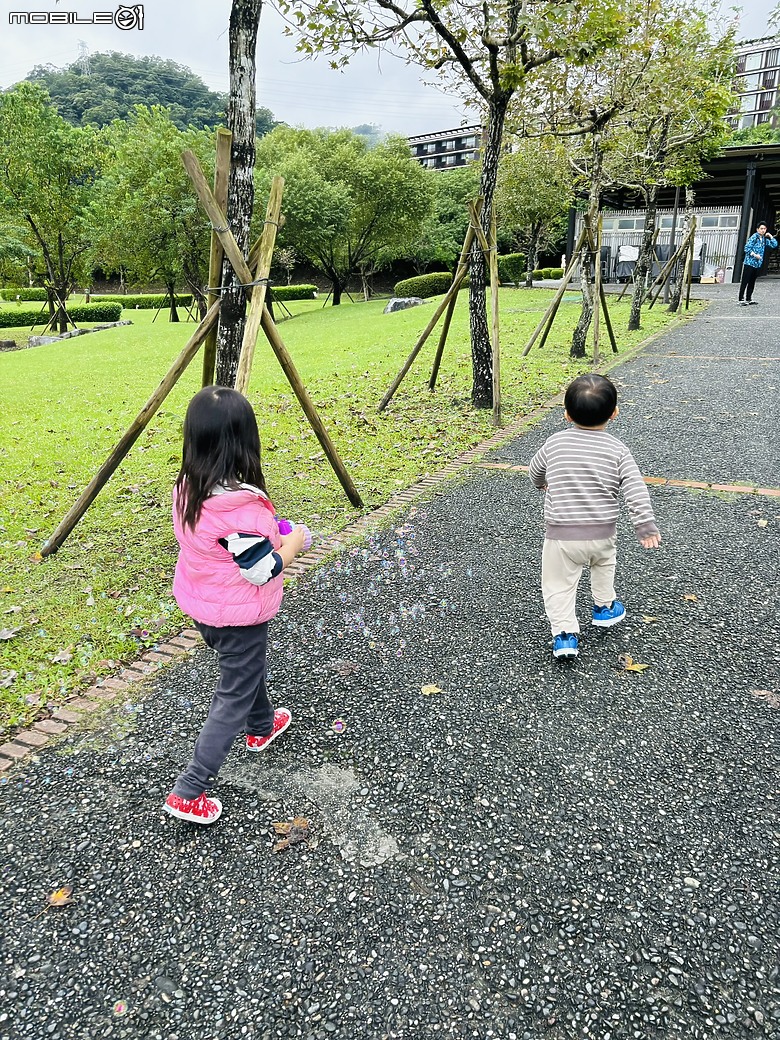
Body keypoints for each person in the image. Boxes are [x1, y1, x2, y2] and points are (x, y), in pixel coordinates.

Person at [163, 386, 309, 824]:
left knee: (244, 671)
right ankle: (189, 791)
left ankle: (262, 727)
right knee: (232, 693)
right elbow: (260, 569)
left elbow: (226, 547)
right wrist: (293, 545)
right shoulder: (237, 507)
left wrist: (269, 533)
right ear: (246, 440)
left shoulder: (190, 486)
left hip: (203, 604)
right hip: (238, 613)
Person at [528, 373, 661, 660]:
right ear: (614, 413)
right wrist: (644, 525)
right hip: (603, 532)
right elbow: (635, 488)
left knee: (558, 584)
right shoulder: (618, 450)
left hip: (561, 535)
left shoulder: (554, 444)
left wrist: (542, 484)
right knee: (603, 566)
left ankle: (564, 636)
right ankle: (604, 607)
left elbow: (535, 470)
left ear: (566, 414)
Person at [739, 221, 777, 306]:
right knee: (745, 281)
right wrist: (755, 255)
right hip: (749, 262)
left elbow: (774, 245)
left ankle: (749, 298)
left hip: (757, 264)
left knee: (752, 281)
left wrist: (771, 237)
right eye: (761, 229)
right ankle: (741, 298)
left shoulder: (764, 239)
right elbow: (747, 248)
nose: (763, 230)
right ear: (757, 229)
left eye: (764, 229)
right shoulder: (754, 237)